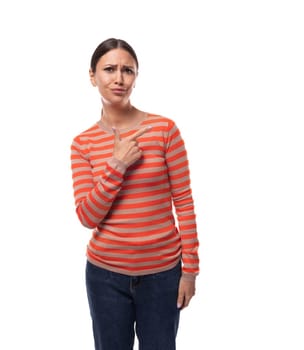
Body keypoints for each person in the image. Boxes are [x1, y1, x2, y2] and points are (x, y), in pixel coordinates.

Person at [70, 37, 200, 350]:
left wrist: (190, 272)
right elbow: (88, 217)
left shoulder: (164, 130)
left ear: (136, 77)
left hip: (163, 274)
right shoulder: (82, 143)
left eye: (127, 70)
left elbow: (184, 203)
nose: (118, 78)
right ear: (93, 76)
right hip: (105, 277)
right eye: (109, 69)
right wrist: (118, 164)